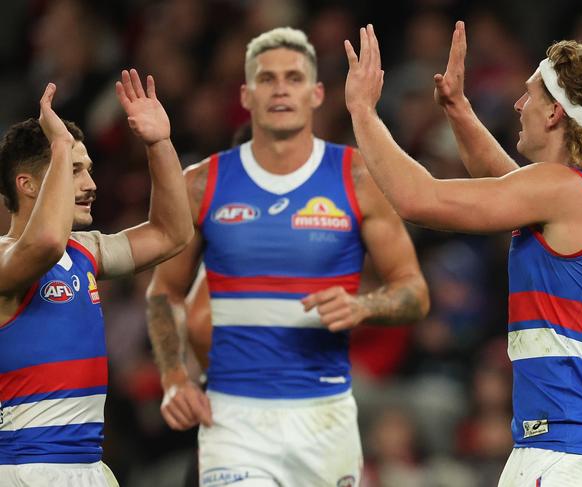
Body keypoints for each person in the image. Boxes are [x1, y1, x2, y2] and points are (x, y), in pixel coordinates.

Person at [344, 22, 582, 487]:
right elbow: (503, 185)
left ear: (554, 115)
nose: (519, 106)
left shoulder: (560, 190)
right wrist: (459, 110)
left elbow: (418, 199)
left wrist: (362, 112)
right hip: (576, 444)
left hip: (566, 452)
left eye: (530, 96)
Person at [146, 26, 429, 487]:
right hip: (233, 418)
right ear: (246, 94)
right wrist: (174, 376)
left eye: (294, 78)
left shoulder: (359, 177)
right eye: (267, 78)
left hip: (324, 416)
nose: (280, 88)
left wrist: (364, 306)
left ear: (317, 93)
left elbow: (414, 291)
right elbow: (165, 291)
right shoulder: (199, 184)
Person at [0, 70, 193, 486]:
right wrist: (58, 142)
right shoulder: (3, 259)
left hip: (86, 467)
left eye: (88, 169)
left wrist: (158, 144)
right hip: (25, 469)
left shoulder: (84, 251)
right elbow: (44, 243)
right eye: (73, 170)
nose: (91, 184)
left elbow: (171, 234)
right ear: (27, 185)